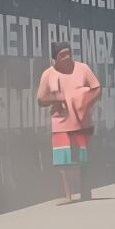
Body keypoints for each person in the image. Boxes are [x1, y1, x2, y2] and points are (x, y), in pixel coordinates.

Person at [37, 42, 101, 201]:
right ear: (55, 58)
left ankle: (85, 192)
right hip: (61, 125)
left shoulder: (83, 69)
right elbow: (41, 99)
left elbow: (97, 88)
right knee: (63, 162)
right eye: (62, 55)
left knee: (83, 160)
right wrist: (58, 98)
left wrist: (85, 103)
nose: (66, 57)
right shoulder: (48, 74)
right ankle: (68, 195)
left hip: (82, 122)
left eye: (68, 53)